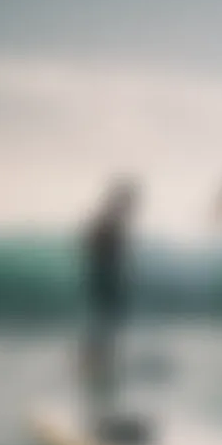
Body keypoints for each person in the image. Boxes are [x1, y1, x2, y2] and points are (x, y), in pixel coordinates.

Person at [83, 178, 138, 417]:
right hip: (103, 281)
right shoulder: (107, 221)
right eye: (127, 201)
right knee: (104, 326)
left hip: (109, 281)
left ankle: (97, 365)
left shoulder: (113, 222)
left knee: (108, 327)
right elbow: (93, 245)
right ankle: (93, 366)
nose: (130, 208)